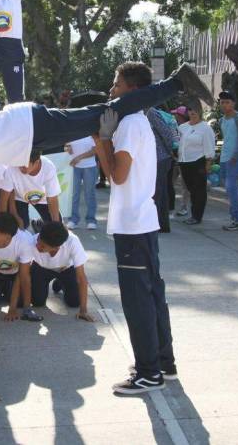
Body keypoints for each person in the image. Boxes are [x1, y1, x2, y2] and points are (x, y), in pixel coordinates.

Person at [0, 61, 211, 227]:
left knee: (104, 113)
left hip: (26, 129)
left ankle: (178, 81)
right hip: (23, 135)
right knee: (103, 114)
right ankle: (175, 83)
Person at [92, 61, 176, 394]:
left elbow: (117, 174)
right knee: (153, 294)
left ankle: (148, 373)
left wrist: (101, 140)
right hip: (143, 222)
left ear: (133, 90)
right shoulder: (139, 122)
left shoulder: (128, 124)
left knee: (137, 301)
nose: (112, 90)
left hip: (133, 226)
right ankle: (163, 362)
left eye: (116, 84)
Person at [0, 212, 40, 322]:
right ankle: (3, 291)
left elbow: (23, 276)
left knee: (20, 302)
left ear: (8, 237)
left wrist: (14, 308)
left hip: (16, 274)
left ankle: (39, 225)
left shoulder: (25, 243)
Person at [28, 221, 93, 321]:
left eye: (42, 246)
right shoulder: (31, 241)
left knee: (74, 302)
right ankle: (57, 282)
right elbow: (23, 272)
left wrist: (83, 310)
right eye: (38, 241)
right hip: (41, 268)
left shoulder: (73, 242)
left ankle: (60, 282)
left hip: (66, 268)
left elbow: (81, 277)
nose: (37, 246)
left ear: (57, 247)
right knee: (37, 302)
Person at [0, 150, 61, 230]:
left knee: (56, 224)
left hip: (42, 199)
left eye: (24, 166)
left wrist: (56, 225)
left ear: (36, 162)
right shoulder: (11, 167)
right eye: (19, 164)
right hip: (19, 198)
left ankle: (39, 224)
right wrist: (12, 214)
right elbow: (4, 197)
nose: (20, 168)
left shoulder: (48, 167)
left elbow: (52, 198)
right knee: (20, 225)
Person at [177, 103, 216, 225]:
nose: (192, 112)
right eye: (190, 109)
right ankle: (193, 214)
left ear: (200, 112)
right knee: (190, 189)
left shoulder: (205, 128)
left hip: (198, 161)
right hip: (184, 161)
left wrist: (208, 164)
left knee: (199, 190)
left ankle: (197, 216)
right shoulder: (182, 127)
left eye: (195, 110)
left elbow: (209, 146)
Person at [218, 91, 238, 231]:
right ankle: (234, 217)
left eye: (227, 102)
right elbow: (227, 138)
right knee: (227, 187)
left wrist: (235, 156)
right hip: (224, 157)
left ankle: (236, 219)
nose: (224, 105)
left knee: (231, 187)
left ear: (233, 103)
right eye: (222, 102)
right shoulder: (221, 120)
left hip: (235, 158)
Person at [148, 108, 178, 233]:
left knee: (157, 192)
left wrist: (170, 151)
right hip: (154, 158)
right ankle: (162, 224)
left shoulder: (150, 112)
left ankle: (158, 224)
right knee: (160, 192)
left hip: (160, 157)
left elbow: (166, 133)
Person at [65, 136, 98, 230]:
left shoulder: (91, 134)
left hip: (90, 167)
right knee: (73, 194)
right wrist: (67, 148)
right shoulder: (72, 131)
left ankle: (91, 220)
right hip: (73, 166)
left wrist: (79, 157)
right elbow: (66, 145)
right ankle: (73, 220)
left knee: (89, 194)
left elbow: (95, 150)